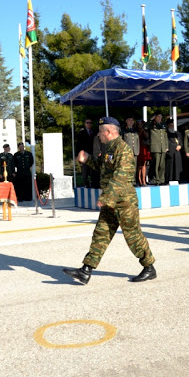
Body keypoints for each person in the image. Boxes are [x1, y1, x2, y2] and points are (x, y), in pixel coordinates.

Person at [63, 117, 157, 285]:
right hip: (111, 201)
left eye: (100, 132)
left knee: (133, 235)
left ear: (109, 132)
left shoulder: (124, 150)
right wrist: (87, 159)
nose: (98, 135)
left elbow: (120, 176)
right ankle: (86, 270)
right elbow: (102, 166)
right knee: (101, 233)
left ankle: (149, 267)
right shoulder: (109, 149)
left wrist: (106, 197)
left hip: (124, 201)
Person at [146, 113, 168, 185]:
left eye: (161, 116)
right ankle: (156, 179)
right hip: (155, 147)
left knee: (162, 165)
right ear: (155, 117)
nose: (160, 118)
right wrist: (150, 119)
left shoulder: (163, 125)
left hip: (162, 147)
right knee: (156, 164)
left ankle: (161, 179)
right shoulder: (151, 125)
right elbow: (145, 127)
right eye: (158, 116)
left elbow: (165, 136)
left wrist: (166, 146)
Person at [76, 119, 96, 187]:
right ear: (85, 124)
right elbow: (78, 144)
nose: (89, 124)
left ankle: (92, 183)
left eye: (90, 123)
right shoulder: (81, 133)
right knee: (85, 171)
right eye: (87, 123)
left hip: (93, 154)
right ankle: (86, 183)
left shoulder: (94, 132)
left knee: (93, 170)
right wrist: (78, 155)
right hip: (84, 154)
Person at [121, 117, 140, 185]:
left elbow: (137, 141)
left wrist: (137, 150)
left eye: (132, 120)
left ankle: (133, 181)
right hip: (127, 152)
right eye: (129, 120)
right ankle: (127, 181)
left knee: (134, 167)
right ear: (126, 121)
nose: (131, 121)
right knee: (127, 167)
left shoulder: (135, 130)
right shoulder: (123, 130)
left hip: (134, 151)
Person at [136, 120, 151, 186]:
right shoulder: (135, 130)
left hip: (144, 148)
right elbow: (137, 137)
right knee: (139, 165)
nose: (140, 125)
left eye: (141, 124)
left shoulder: (145, 130)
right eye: (139, 124)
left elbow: (147, 137)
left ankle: (144, 180)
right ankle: (139, 180)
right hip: (138, 148)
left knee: (144, 164)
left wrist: (143, 130)